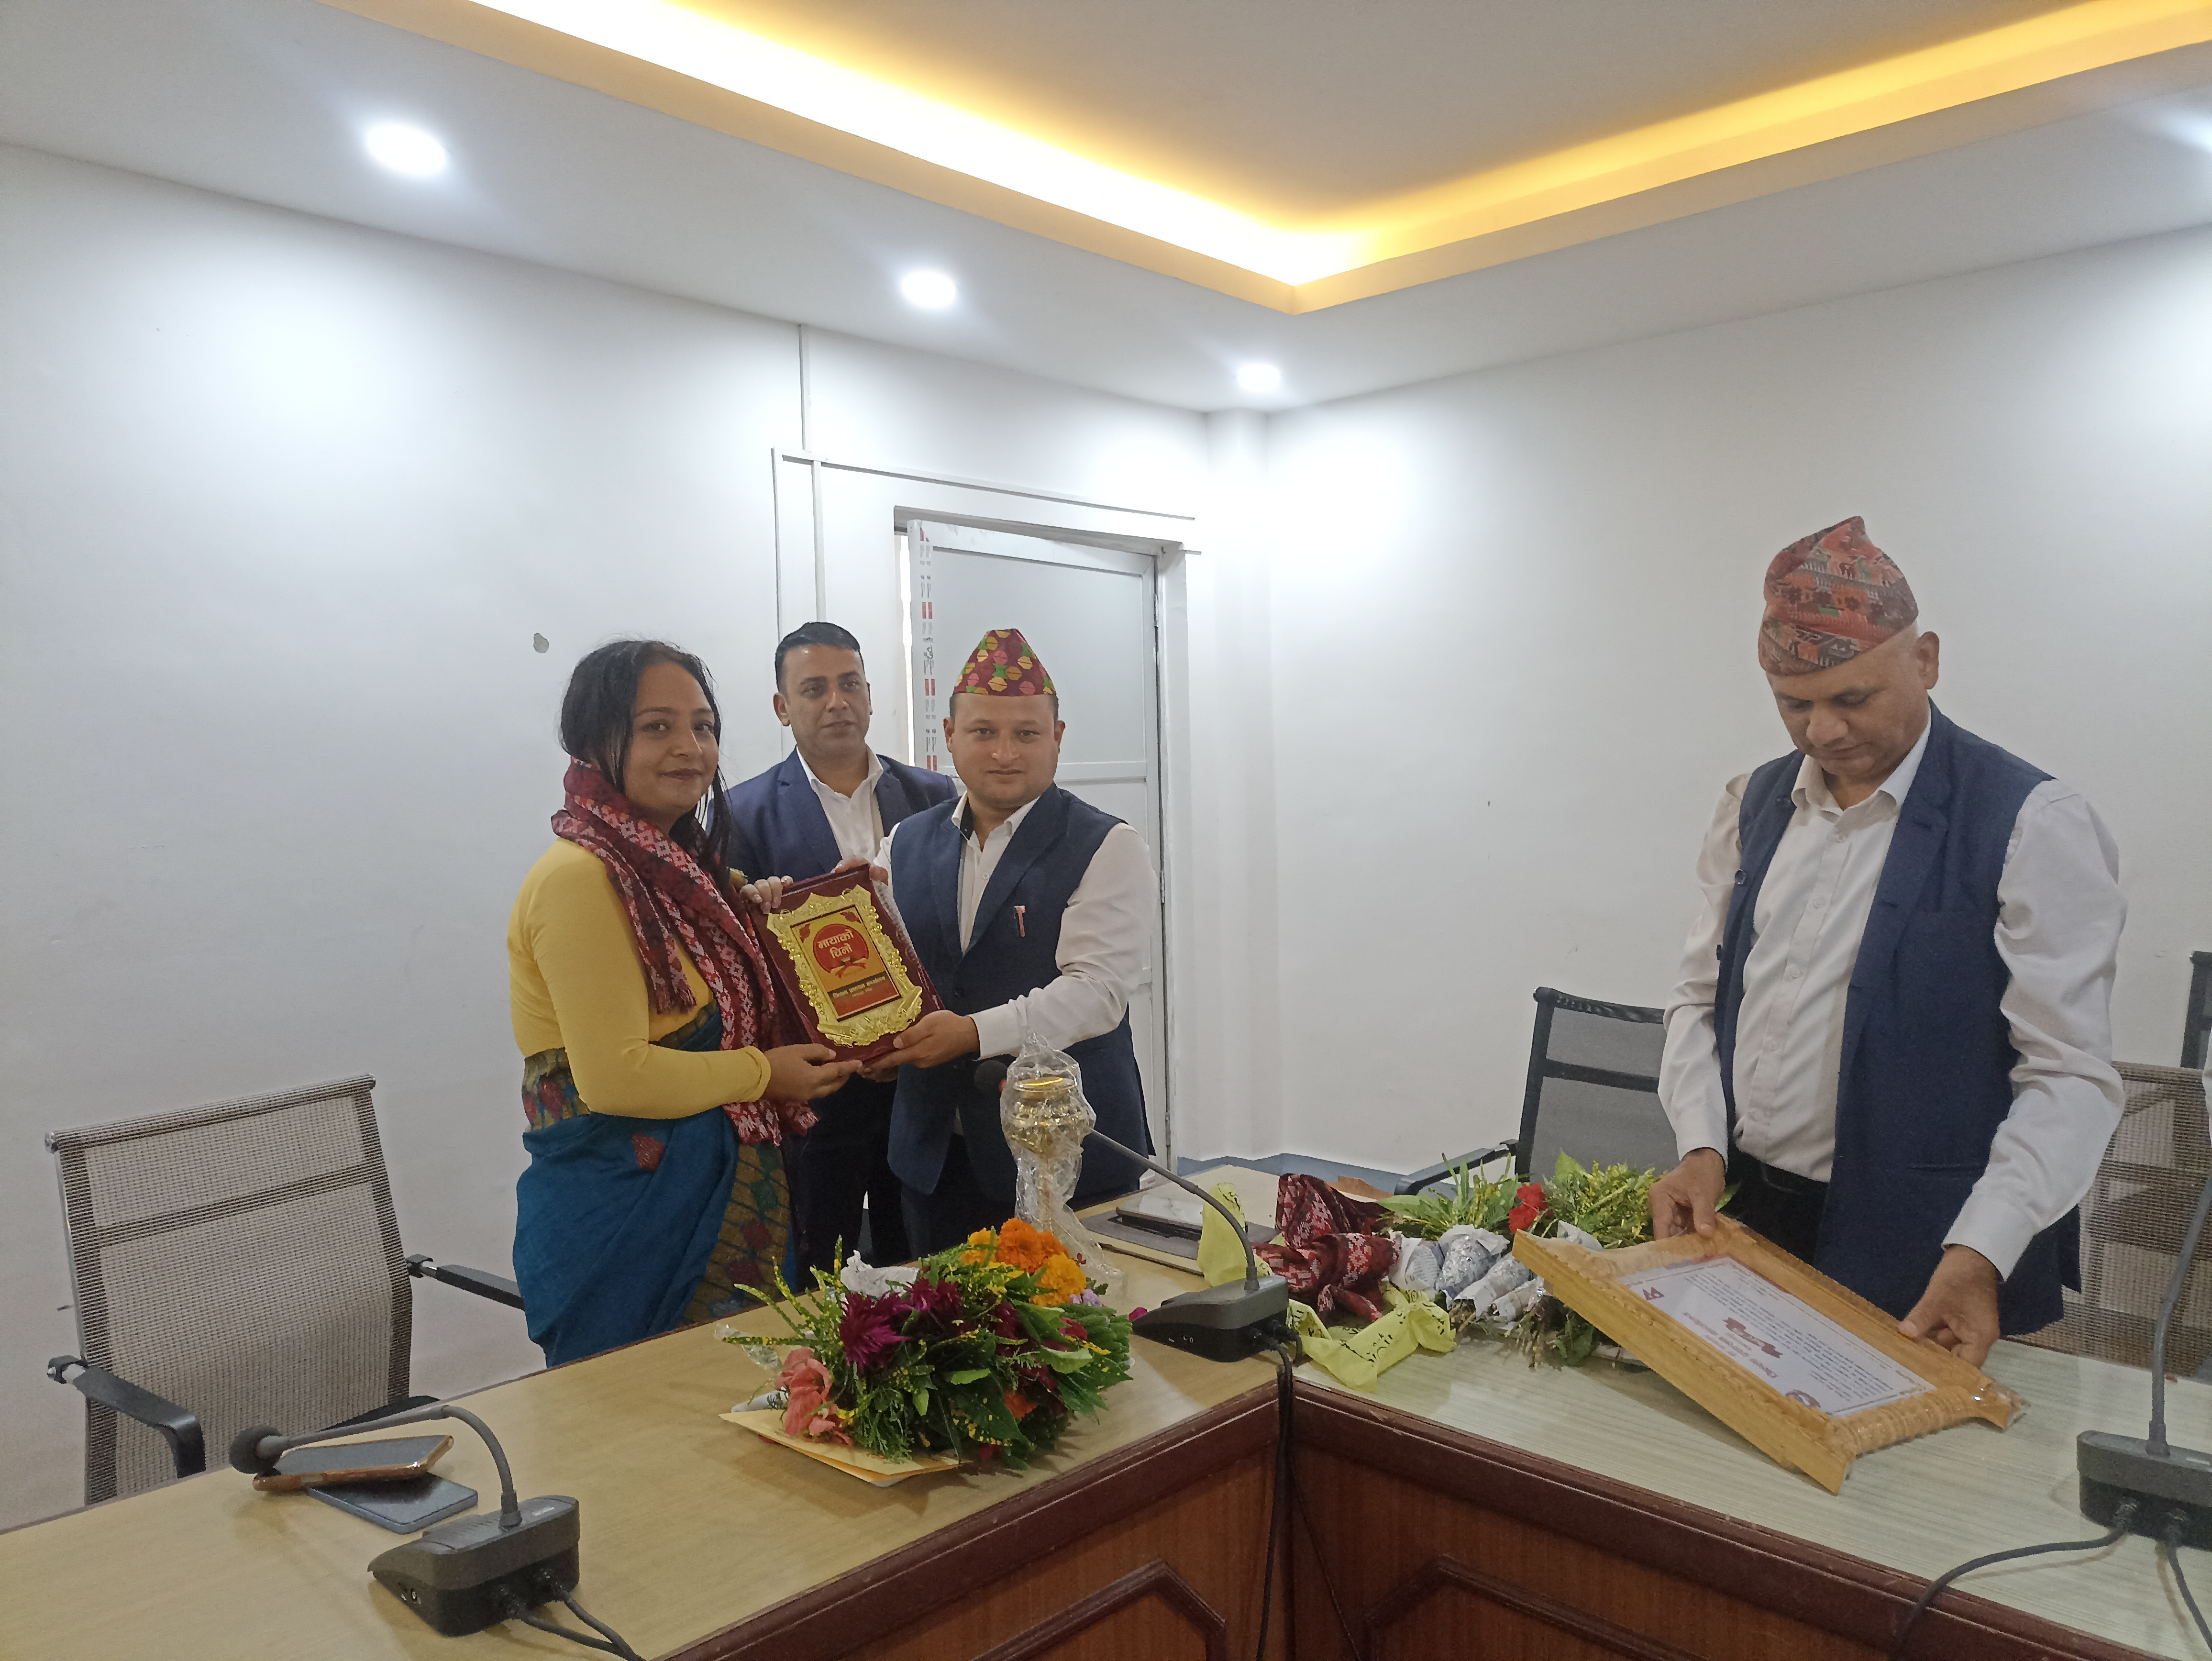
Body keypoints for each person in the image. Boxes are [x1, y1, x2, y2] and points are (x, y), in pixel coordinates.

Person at [1650, 518, 2126, 1366]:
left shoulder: (2031, 822)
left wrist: (1983, 1250)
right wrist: (1700, 1145)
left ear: (1926, 660)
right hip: (1751, 1224)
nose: (1823, 732)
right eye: (1795, 705)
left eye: (1852, 699)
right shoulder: (1751, 803)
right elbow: (1699, 1000)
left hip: (1937, 1254)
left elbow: (2069, 1076)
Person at [508, 640, 857, 1364]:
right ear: (594, 741)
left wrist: (785, 913)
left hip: (723, 1197)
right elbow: (616, 1078)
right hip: (627, 1222)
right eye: (656, 727)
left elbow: (725, 1008)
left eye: (703, 727)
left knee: (747, 1414)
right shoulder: (581, 878)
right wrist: (765, 1075)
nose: (690, 749)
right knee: (643, 1424)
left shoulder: (683, 873)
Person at [869, 627, 1156, 1253]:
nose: (1004, 752)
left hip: (1065, 1161)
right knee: (942, 1313)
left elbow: (1095, 994)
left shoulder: (1108, 846)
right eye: (983, 732)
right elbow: (878, 964)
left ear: (1057, 737)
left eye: (1026, 734)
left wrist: (971, 1034)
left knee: (1082, 1315)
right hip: (933, 1158)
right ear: (950, 736)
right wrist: (796, 905)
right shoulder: (905, 842)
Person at [721, 621, 954, 1273]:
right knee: (823, 1271)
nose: (837, 702)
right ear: (782, 707)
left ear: (870, 694)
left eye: (850, 684)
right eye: (814, 689)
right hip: (820, 1090)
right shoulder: (744, 814)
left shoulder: (934, 797)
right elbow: (738, 960)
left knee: (925, 1269)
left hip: (922, 1078)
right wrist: (758, 907)